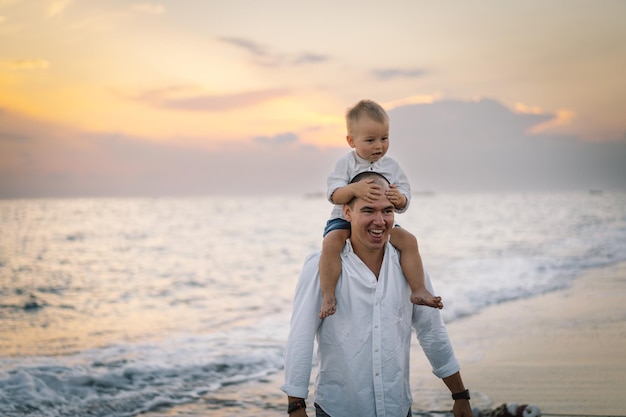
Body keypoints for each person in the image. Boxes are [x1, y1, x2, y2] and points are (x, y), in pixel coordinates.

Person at [282, 172, 473, 417]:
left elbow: (431, 330)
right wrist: (296, 406)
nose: (380, 221)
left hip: (398, 408)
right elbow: (301, 337)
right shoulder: (320, 267)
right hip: (338, 410)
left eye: (387, 211)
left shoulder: (408, 264)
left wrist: (459, 395)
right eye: (368, 210)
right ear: (347, 213)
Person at [319, 99, 442, 318]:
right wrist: (354, 189)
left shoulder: (391, 166)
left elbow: (405, 196)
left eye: (384, 138)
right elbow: (334, 195)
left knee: (409, 241)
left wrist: (399, 199)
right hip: (343, 220)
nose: (379, 146)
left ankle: (418, 289)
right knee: (330, 243)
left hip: (380, 222)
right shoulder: (346, 164)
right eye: (370, 140)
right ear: (351, 141)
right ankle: (328, 293)